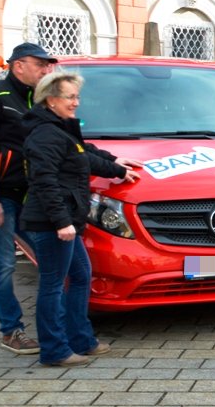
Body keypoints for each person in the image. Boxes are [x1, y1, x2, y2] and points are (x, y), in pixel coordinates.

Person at [21, 71, 139, 367]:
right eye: (70, 97)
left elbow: (83, 154)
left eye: (77, 96)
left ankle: (81, 339)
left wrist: (114, 163)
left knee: (81, 276)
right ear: (51, 100)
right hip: (51, 224)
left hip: (67, 219)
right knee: (52, 285)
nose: (76, 102)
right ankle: (54, 350)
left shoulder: (61, 128)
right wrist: (61, 222)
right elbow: (44, 182)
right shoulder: (44, 134)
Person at [0, 43, 60, 354]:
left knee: (48, 255)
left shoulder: (37, 100)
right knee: (3, 263)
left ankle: (56, 324)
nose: (46, 69)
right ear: (18, 65)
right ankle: (12, 330)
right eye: (41, 64)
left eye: (48, 65)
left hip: (27, 195)